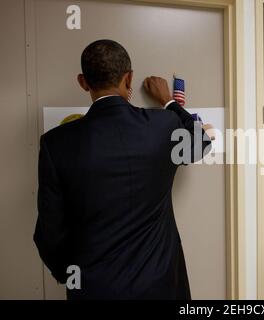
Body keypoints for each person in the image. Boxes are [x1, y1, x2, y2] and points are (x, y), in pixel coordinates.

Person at [33, 39, 211, 299]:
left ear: (83, 82)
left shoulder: (56, 143)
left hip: (93, 287)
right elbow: (201, 142)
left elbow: (49, 233)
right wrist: (170, 103)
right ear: (129, 79)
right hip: (160, 283)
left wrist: (69, 275)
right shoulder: (163, 125)